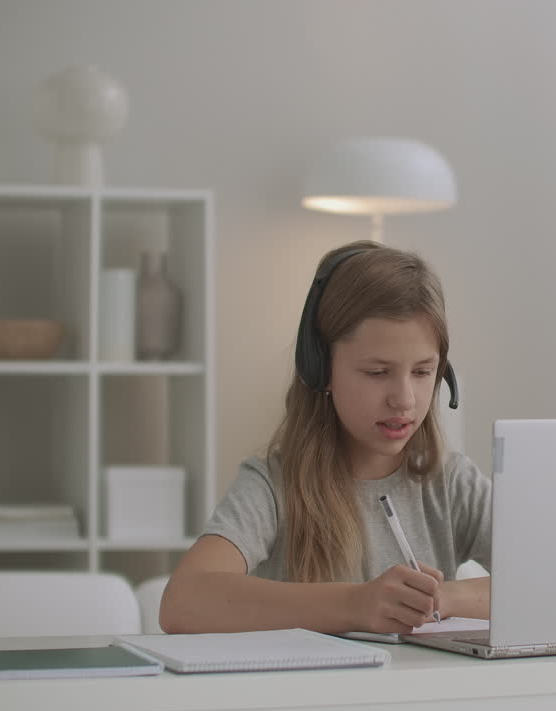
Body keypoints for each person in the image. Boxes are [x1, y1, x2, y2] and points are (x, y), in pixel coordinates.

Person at [160, 241, 492, 635]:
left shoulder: (452, 482)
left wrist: (440, 598)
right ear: (320, 368)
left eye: (422, 372)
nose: (404, 399)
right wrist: (355, 604)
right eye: (377, 372)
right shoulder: (272, 486)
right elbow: (183, 603)